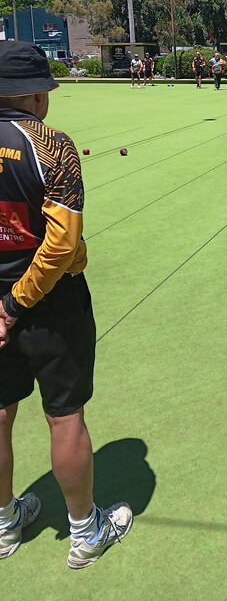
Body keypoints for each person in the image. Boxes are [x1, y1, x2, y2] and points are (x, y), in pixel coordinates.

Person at [0, 42, 132, 566]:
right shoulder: (50, 145)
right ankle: (85, 532)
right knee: (64, 415)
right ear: (34, 96)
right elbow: (59, 245)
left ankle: (5, 526)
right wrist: (12, 305)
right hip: (47, 304)